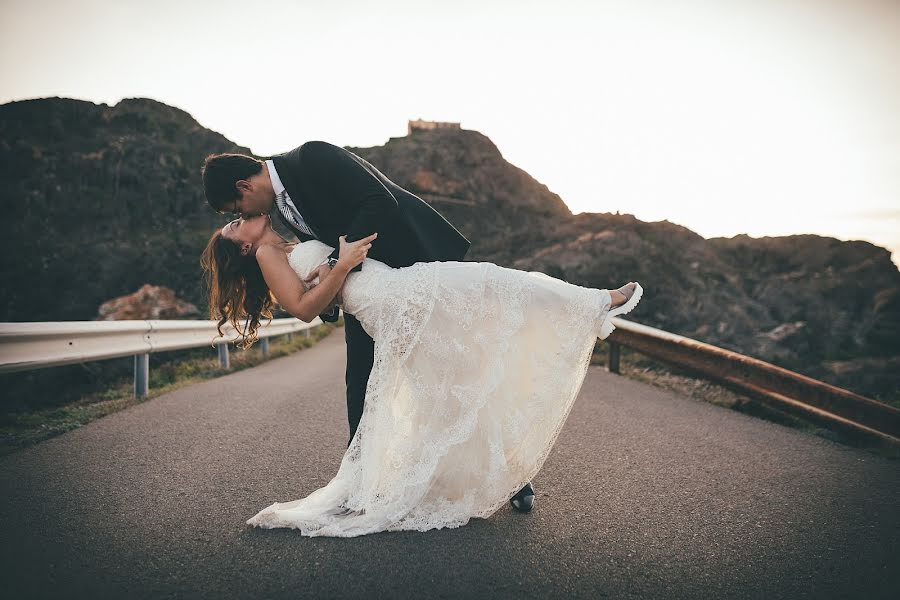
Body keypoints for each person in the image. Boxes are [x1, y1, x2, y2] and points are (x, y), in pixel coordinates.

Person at [200, 213, 643, 537]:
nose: (240, 220)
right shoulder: (263, 252)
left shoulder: (291, 241)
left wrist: (331, 272)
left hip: (396, 295)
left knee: (458, 383)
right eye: (234, 226)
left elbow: (323, 301)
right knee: (491, 284)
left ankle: (492, 475)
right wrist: (342, 263)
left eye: (236, 219)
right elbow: (303, 310)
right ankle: (596, 302)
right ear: (242, 246)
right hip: (394, 299)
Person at [201, 141, 540, 513]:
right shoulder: (281, 212)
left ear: (243, 187)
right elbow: (313, 272)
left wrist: (334, 263)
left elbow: (380, 203)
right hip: (370, 296)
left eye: (236, 211)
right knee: (359, 381)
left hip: (413, 271)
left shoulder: (311, 157)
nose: (242, 215)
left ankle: (513, 476)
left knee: (455, 375)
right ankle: (357, 482)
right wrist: (332, 288)